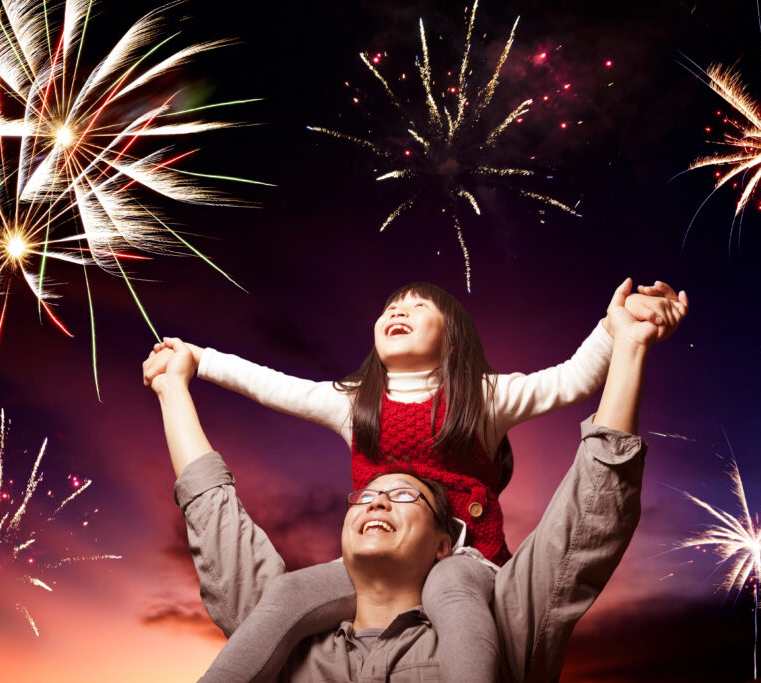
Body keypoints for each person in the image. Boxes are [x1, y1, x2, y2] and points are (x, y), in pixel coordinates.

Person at [145, 278, 688, 682]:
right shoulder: (355, 402)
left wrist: (616, 333)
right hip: (367, 570)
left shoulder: (482, 396)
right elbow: (272, 385)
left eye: (417, 307)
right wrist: (198, 360)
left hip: (468, 559)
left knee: (455, 594)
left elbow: (571, 381)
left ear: (453, 340)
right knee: (285, 595)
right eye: (389, 308)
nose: (398, 311)